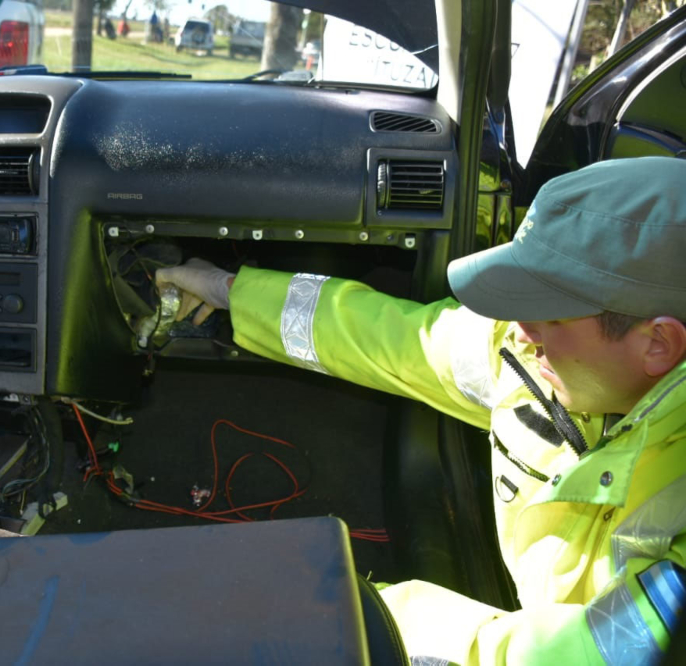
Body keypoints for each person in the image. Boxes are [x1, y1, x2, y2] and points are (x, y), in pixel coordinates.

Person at [154, 156, 686, 665]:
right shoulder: (533, 352)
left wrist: (364, 620)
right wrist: (231, 291)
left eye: (550, 314)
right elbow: (386, 334)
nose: (522, 330)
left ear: (658, 343)